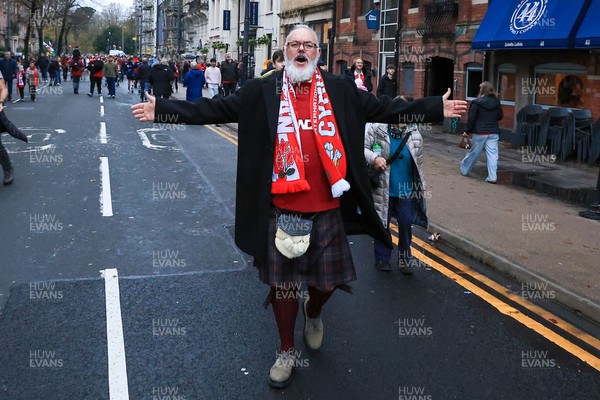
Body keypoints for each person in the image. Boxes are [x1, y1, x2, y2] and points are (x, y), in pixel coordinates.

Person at [132, 24, 466, 389]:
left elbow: (384, 108)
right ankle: (286, 350)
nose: (301, 50)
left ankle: (315, 310)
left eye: (308, 44)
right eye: (294, 44)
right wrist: (164, 110)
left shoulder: (340, 89)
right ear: (285, 50)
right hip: (281, 211)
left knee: (331, 282)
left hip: (327, 208)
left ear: (318, 53)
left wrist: (435, 108)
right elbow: (215, 108)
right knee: (284, 286)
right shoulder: (263, 89)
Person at [364, 120, 427, 273]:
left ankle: (405, 259)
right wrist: (374, 158)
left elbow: (419, 165)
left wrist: (420, 188)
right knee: (382, 223)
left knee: (406, 222)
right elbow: (363, 148)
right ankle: (382, 258)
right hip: (383, 187)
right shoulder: (377, 130)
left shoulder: (415, 136)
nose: (401, 121)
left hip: (406, 189)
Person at [460, 81, 503, 184]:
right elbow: (500, 116)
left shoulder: (476, 102)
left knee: (473, 153)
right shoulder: (497, 102)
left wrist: (467, 131)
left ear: (482, 90)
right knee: (493, 155)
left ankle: (464, 170)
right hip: (493, 132)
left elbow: (471, 119)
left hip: (480, 133)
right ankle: (492, 177)